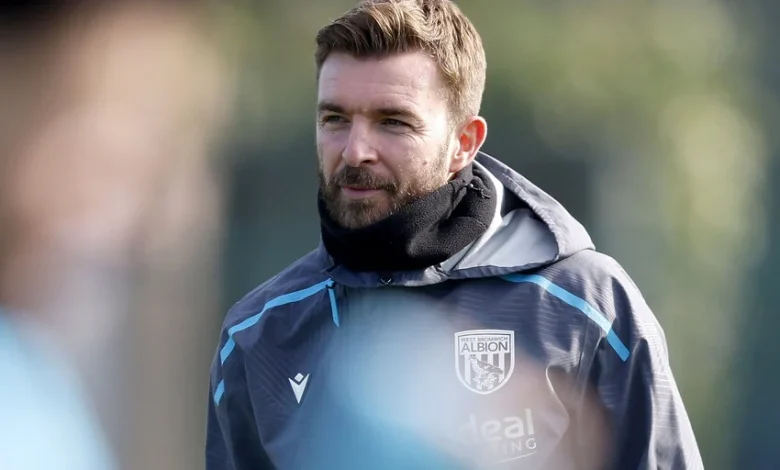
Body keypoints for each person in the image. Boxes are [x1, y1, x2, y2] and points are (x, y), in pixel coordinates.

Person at [206, 0, 703, 468]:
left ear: (464, 143)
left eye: (392, 122)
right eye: (335, 118)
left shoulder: (587, 306)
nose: (355, 151)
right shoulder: (256, 336)